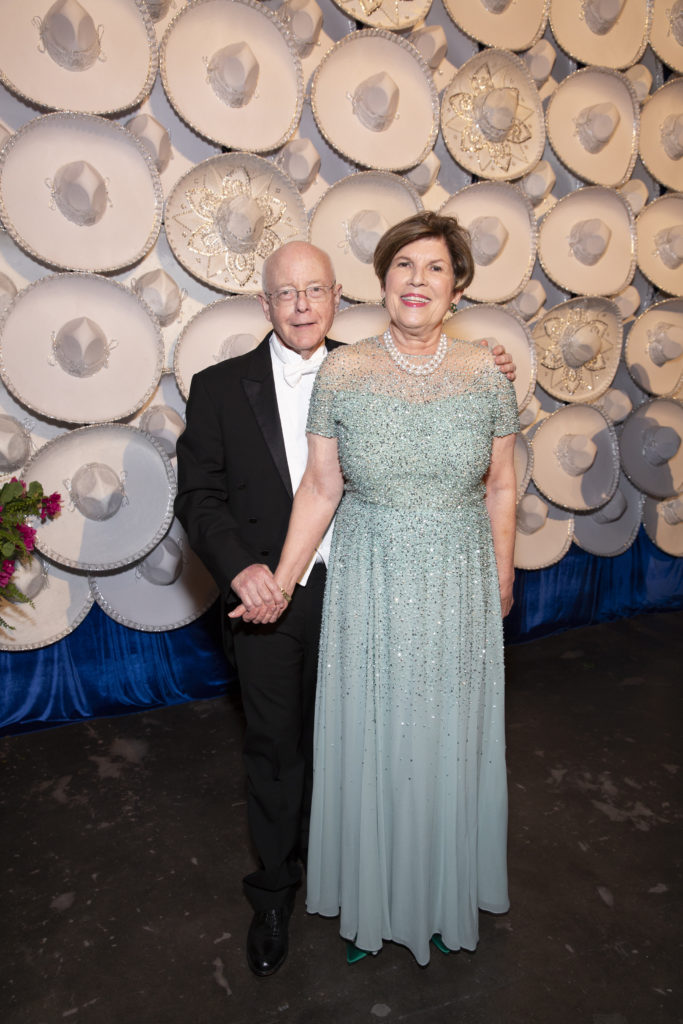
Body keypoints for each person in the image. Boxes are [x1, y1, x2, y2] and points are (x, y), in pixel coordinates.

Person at [175, 237, 516, 976]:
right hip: (276, 594)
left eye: (315, 291)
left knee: (379, 746)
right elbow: (201, 498)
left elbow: (493, 472)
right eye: (286, 292)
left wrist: (484, 362)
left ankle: (398, 880)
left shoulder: (370, 363)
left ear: (339, 297)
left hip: (367, 590)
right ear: (265, 303)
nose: (302, 305)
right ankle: (274, 896)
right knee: (277, 750)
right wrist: (250, 574)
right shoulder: (218, 386)